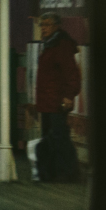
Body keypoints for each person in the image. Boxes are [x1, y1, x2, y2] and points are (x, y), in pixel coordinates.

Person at [33, 12, 82, 181]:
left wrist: (69, 96)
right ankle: (54, 171)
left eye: (47, 25)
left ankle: (65, 172)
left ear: (56, 26)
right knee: (53, 137)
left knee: (58, 138)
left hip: (57, 100)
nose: (43, 28)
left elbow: (71, 73)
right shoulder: (50, 44)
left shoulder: (60, 45)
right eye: (42, 25)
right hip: (48, 100)